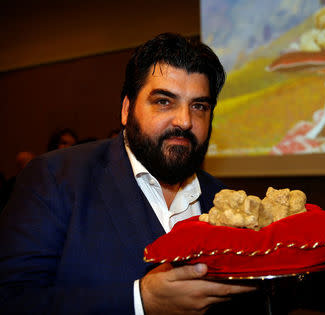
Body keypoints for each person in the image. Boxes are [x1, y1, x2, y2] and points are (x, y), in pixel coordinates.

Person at [0, 33, 256, 315]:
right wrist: (139, 301)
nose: (185, 120)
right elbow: (13, 300)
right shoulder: (54, 180)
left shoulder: (224, 201)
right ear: (126, 109)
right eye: (163, 101)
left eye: (199, 106)